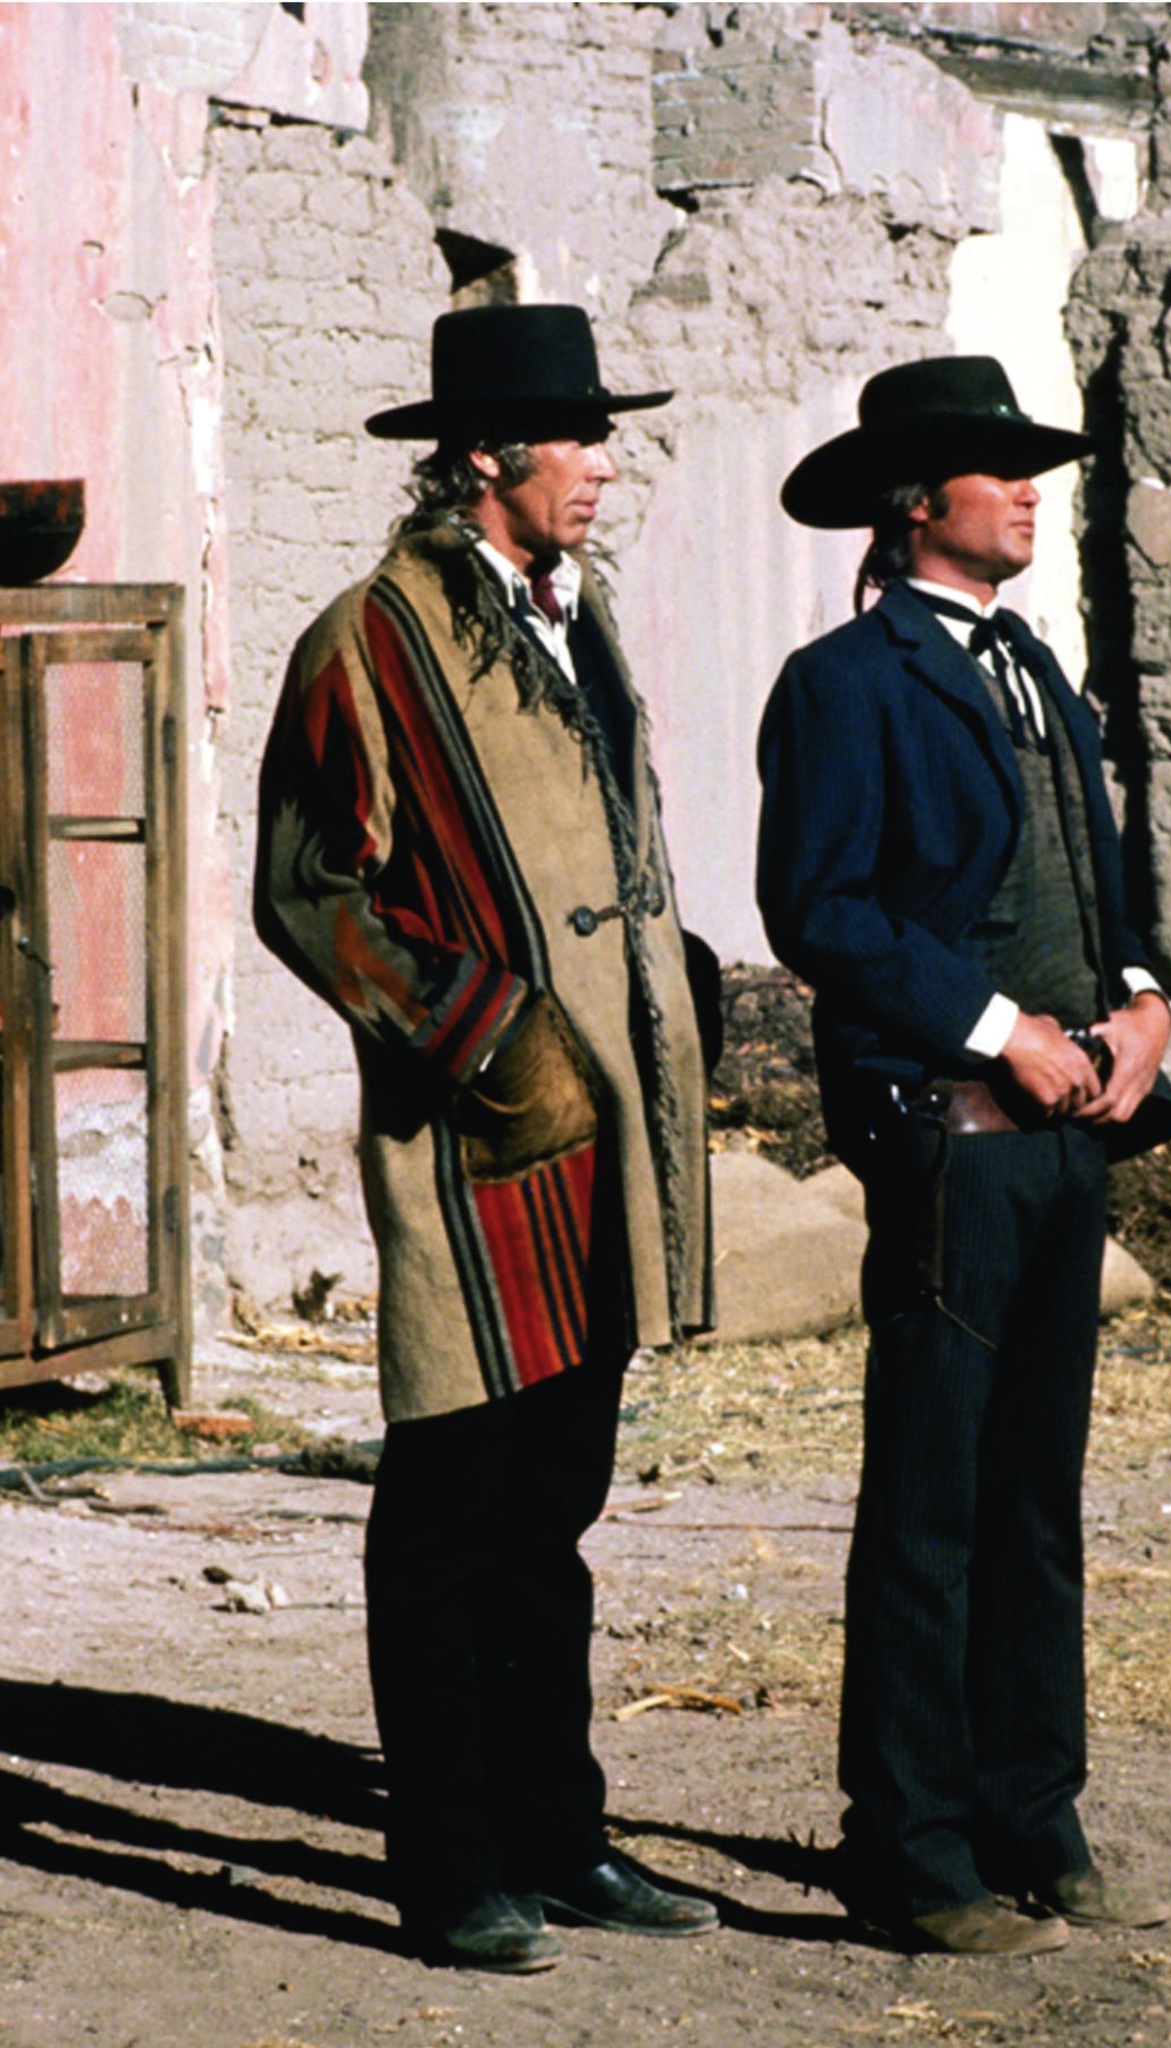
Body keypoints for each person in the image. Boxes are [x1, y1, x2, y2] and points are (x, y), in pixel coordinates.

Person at [255, 302, 717, 1973]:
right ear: (485, 461)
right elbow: (307, 893)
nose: (603, 461)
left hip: (608, 1155)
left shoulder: (571, 624)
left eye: (602, 434)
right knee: (449, 1513)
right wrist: (486, 1036)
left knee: (554, 1513)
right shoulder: (369, 641)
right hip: (476, 1155)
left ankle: (560, 1835)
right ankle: (450, 1865)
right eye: (577, 437)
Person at [757, 355, 1171, 1958]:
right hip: (951, 1143)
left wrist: (1137, 1004)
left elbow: (1098, 882)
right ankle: (913, 1845)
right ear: (913, 503)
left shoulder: (1040, 676)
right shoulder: (846, 684)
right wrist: (995, 1024)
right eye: (993, 470)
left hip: (1071, 1144)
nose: (1026, 490)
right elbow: (826, 911)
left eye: (1027, 470)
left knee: (1035, 1501)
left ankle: (1032, 1808)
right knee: (933, 1505)